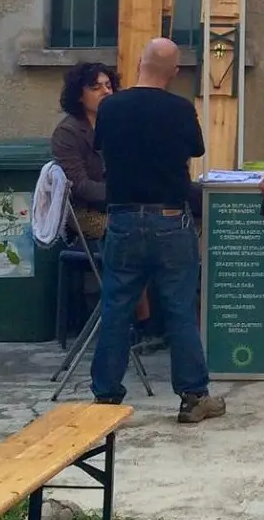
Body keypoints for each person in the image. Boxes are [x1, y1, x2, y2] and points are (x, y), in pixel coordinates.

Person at [89, 38, 224, 424]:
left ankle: (106, 398)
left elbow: (101, 148)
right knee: (180, 308)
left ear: (140, 63)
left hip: (123, 218)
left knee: (116, 307)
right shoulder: (180, 109)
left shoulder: (110, 107)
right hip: (170, 218)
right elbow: (196, 150)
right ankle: (193, 397)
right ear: (174, 72)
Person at [51, 61, 119, 238]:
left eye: (108, 86)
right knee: (126, 229)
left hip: (122, 206)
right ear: (79, 96)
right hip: (84, 211)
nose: (106, 92)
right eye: (96, 88)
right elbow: (79, 185)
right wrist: (123, 194)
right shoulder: (67, 132)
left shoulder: (119, 124)